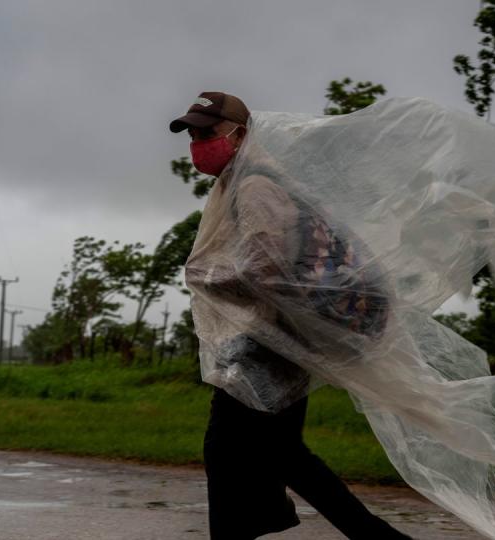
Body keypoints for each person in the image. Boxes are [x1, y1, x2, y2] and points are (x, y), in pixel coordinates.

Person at [171, 91, 413, 540]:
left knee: (230, 452)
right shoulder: (247, 181)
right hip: (282, 338)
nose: (197, 142)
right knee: (278, 454)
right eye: (192, 133)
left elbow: (267, 270)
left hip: (271, 342)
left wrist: (208, 276)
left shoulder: (255, 186)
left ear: (240, 134)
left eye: (208, 131)